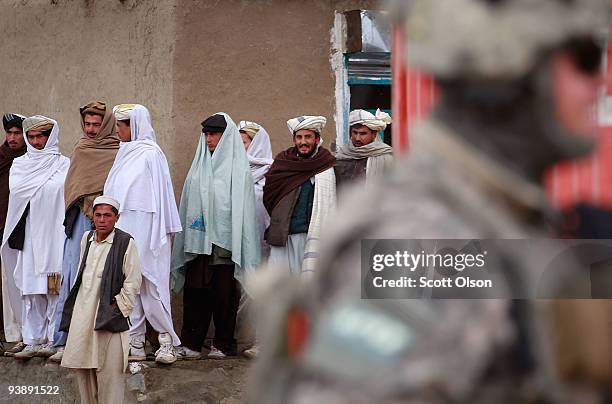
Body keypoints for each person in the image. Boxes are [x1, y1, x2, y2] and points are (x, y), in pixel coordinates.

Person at [248, 0, 611, 402]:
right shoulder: (424, 235)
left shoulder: (497, 214)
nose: (602, 82)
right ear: (509, 73)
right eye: (586, 59)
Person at [171, 113, 260, 360]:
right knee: (195, 291)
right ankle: (191, 342)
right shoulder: (198, 166)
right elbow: (189, 203)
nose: (209, 139)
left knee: (224, 295)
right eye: (207, 134)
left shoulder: (238, 169)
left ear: (225, 136)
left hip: (225, 245)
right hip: (199, 243)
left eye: (214, 134)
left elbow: (243, 212)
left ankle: (222, 343)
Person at [104, 104, 182, 364]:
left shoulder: (151, 154)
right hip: (125, 228)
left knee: (153, 285)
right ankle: (135, 341)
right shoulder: (123, 154)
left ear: (134, 126)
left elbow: (161, 198)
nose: (117, 130)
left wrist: (156, 234)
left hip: (149, 231)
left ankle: (166, 341)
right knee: (129, 285)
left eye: (122, 125)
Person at [50, 101, 119, 363]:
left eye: (96, 124)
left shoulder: (118, 150)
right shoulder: (81, 147)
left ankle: (95, 340)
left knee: (102, 278)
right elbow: (73, 186)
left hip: (106, 220)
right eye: (87, 124)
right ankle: (63, 339)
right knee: (72, 275)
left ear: (107, 124)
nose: (91, 130)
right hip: (80, 219)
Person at [60, 195, 141, 404]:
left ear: (116, 218)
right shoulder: (86, 237)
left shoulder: (125, 242)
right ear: (93, 217)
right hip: (83, 313)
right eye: (98, 215)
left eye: (107, 215)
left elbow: (133, 281)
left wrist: (118, 307)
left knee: (110, 371)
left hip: (108, 315)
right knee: (83, 367)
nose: (102, 220)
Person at [1, 116, 70, 360]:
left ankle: (53, 339)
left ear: (51, 137)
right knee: (30, 289)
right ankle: (31, 339)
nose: (36, 141)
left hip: (54, 237)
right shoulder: (20, 165)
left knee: (53, 288)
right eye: (31, 136)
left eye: (41, 136)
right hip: (29, 237)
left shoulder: (64, 165)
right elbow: (19, 193)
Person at [263, 116, 336, 276]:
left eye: (308, 137)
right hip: (283, 235)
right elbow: (270, 196)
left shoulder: (326, 165)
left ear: (317, 139)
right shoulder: (283, 163)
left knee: (310, 285)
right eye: (299, 137)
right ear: (294, 139)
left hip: (313, 236)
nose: (303, 142)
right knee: (282, 286)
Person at [0, 113, 26, 355]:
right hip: (1, 229)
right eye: (9, 133)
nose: (12, 138)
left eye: (17, 133)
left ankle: (23, 332)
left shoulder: (29, 161)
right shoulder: (2, 158)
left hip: (20, 231)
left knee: (18, 282)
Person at [334, 109, 393, 191]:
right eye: (355, 132)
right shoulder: (342, 156)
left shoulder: (386, 159)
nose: (357, 138)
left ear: (374, 134)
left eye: (363, 133)